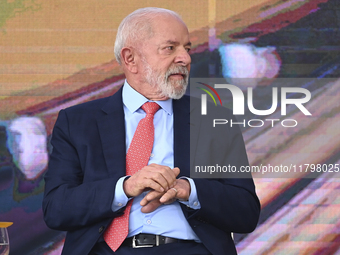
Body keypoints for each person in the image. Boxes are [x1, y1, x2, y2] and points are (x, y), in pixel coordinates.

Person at [42, 7, 260, 255]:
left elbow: (246, 213)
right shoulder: (77, 122)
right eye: (170, 48)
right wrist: (125, 188)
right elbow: (56, 209)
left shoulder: (215, 119)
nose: (185, 59)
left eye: (186, 49)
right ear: (130, 59)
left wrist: (188, 190)